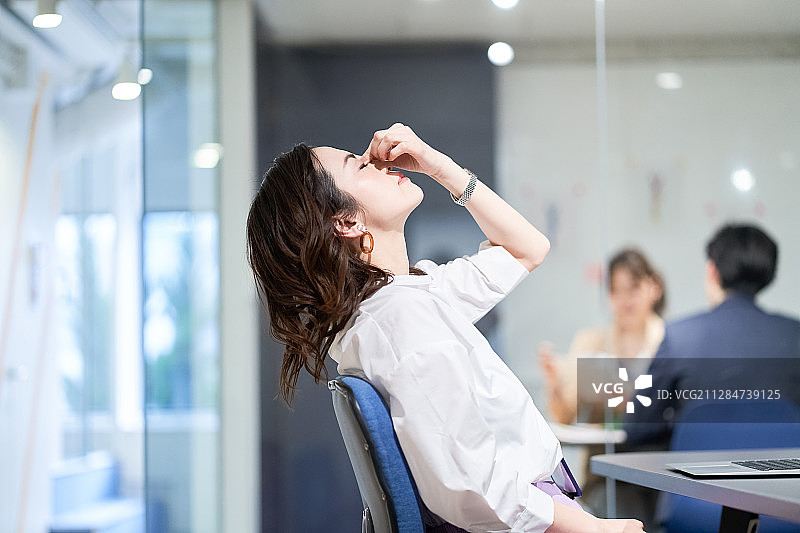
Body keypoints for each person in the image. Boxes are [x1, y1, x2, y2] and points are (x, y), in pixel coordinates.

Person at [246, 123, 645, 533]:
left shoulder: (404, 299)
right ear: (345, 222)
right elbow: (476, 489)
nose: (378, 160)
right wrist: (598, 530)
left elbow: (527, 249)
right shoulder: (399, 317)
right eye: (358, 163)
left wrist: (438, 166)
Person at [624, 223, 800, 447]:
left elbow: (637, 427)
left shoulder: (679, 337)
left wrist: (683, 425)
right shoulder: (795, 336)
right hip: (781, 480)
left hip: (693, 480)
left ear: (713, 271)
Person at [537, 249, 665, 523]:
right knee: (618, 506)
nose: (625, 300)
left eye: (633, 288)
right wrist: (554, 383)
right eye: (616, 291)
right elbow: (564, 416)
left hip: (658, 471)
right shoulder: (590, 342)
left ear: (653, 287)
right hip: (606, 475)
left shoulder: (669, 341)